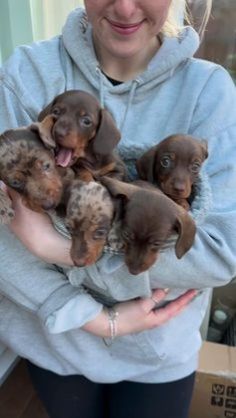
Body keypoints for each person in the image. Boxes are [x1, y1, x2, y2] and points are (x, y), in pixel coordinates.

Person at [0, 1, 236, 417]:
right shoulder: (28, 74)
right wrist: (88, 316)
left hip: (157, 355)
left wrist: (52, 245)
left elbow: (219, 253)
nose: (125, 8)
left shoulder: (209, 92)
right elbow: (4, 234)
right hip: (57, 341)